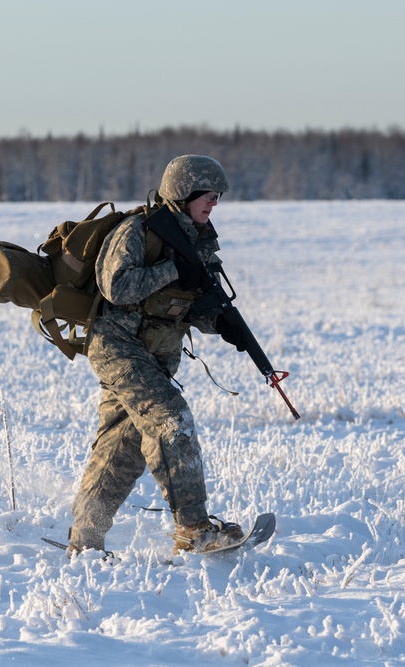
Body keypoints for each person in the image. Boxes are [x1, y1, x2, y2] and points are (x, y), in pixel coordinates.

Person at [68, 155, 250, 555]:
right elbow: (117, 287)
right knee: (172, 419)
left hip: (156, 356)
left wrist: (221, 324)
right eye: (208, 194)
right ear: (183, 193)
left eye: (218, 196)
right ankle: (193, 529)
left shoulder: (201, 241)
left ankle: (84, 540)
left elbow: (194, 302)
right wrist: (171, 270)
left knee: (122, 449)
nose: (214, 202)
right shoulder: (138, 231)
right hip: (118, 346)